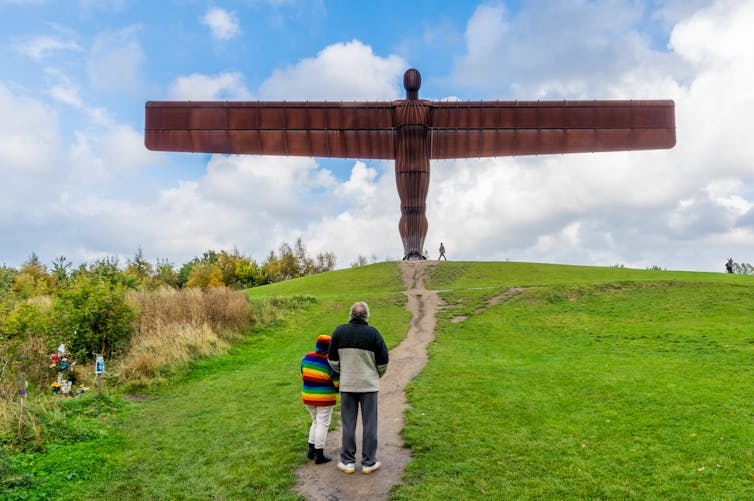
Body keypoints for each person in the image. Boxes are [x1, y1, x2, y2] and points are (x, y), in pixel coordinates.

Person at [328, 302, 389, 474]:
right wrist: (374, 374)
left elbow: (332, 360)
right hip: (369, 385)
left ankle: (347, 462)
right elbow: (383, 362)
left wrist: (345, 372)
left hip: (348, 385)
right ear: (366, 315)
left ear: (351, 315)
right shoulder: (373, 333)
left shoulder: (339, 331)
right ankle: (369, 463)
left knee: (348, 424)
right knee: (370, 424)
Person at [300, 334, 339, 464]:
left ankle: (311, 451)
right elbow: (337, 384)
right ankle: (319, 454)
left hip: (307, 395)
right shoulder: (330, 362)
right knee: (322, 423)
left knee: (315, 421)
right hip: (324, 398)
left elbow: (302, 373)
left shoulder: (307, 357)